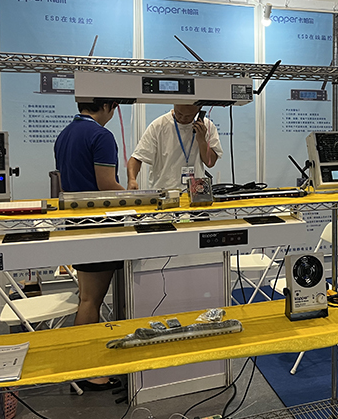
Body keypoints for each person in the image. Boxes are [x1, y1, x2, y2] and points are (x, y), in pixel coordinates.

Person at [54, 100, 124, 392]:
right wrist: (138, 196)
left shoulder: (65, 134)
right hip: (99, 225)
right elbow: (106, 184)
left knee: (86, 297)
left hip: (77, 223)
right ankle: (88, 371)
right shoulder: (101, 136)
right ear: (106, 105)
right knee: (91, 301)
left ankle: (83, 364)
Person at [127, 105, 223, 190]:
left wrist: (202, 140)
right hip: (164, 192)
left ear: (199, 109)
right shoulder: (159, 126)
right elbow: (136, 158)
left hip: (195, 193)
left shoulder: (206, 127)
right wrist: (132, 180)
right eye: (179, 113)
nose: (183, 118)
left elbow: (210, 162)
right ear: (174, 104)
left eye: (188, 116)